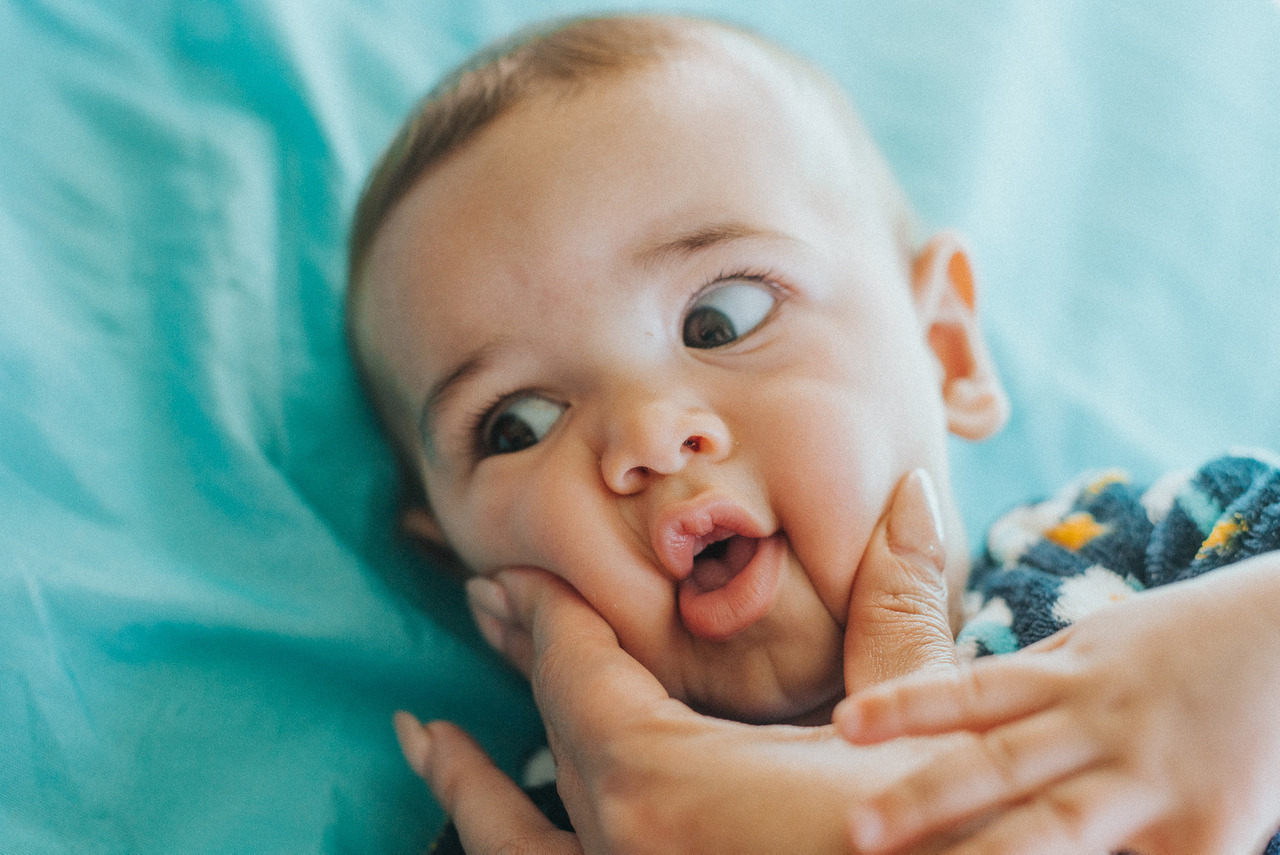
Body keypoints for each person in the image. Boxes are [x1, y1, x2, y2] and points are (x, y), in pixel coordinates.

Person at [345, 12, 1280, 854]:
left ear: (945, 349)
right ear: (475, 576)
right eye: (518, 424)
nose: (648, 436)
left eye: (723, 318)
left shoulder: (1168, 549)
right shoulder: (545, 832)